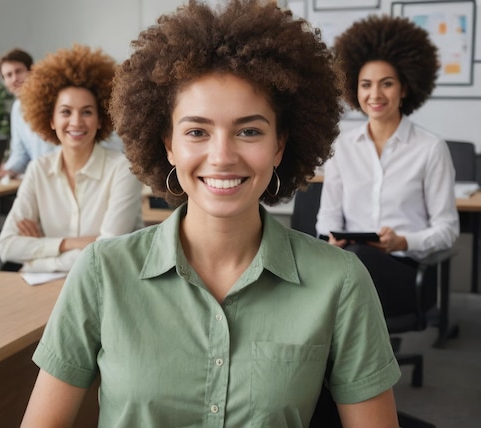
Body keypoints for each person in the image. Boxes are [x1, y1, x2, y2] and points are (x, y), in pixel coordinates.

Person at [21, 1, 401, 427]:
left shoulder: (340, 282)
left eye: (249, 131)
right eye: (197, 131)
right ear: (168, 144)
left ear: (280, 145)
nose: (221, 156)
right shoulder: (101, 273)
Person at [316, 15, 459, 318]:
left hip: (404, 269)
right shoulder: (342, 148)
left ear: (405, 89)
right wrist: (332, 237)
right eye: (365, 84)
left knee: (348, 274)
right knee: (348, 264)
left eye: (387, 84)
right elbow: (325, 217)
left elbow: (447, 230)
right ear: (354, 89)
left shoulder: (430, 148)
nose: (375, 94)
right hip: (349, 264)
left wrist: (402, 241)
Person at [0, 45, 144, 273]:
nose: (76, 122)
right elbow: (7, 246)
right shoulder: (38, 170)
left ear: (101, 119)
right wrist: (68, 243)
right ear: (51, 120)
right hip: (45, 291)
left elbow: (106, 252)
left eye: (87, 112)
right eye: (65, 112)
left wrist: (37, 260)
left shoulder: (123, 169)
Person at [0, 48, 56, 179]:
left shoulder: (53, 100)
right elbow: (20, 153)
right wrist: (7, 170)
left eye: (18, 71)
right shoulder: (16, 108)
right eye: (8, 75)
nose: (15, 79)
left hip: (62, 174)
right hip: (41, 178)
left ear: (31, 71)